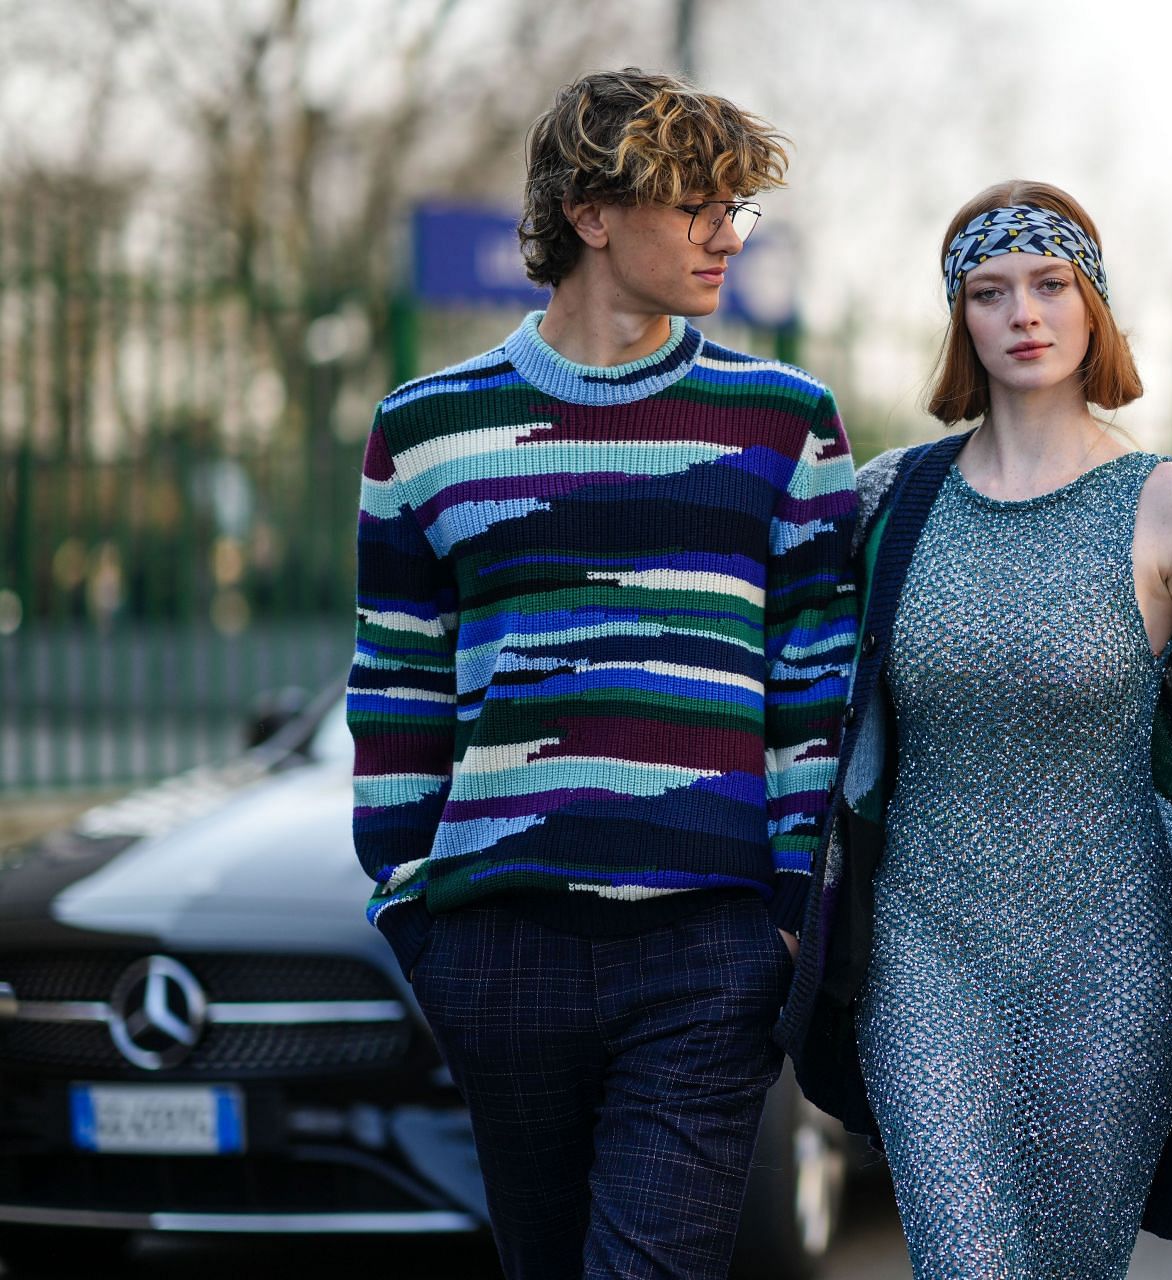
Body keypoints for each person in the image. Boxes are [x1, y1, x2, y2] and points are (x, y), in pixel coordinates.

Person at [775, 182, 1172, 1275]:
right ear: (961, 319)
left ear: (1094, 305)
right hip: (924, 961)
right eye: (990, 291)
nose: (1024, 313)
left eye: (1051, 284)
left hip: (1115, 972)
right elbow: (786, 698)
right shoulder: (886, 503)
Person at [346, 69, 857, 1279]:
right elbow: (397, 688)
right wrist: (414, 910)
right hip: (498, 948)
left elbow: (814, 691)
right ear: (588, 213)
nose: (726, 234)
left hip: (706, 954)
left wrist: (784, 922)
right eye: (696, 204)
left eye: (736, 206)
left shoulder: (785, 422)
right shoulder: (424, 430)